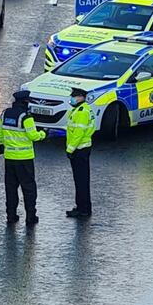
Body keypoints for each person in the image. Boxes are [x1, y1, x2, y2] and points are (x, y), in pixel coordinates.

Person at [0, 90, 47, 225]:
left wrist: (2, 146)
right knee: (29, 189)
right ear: (25, 102)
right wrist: (43, 134)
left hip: (10, 158)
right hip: (24, 159)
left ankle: (11, 216)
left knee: (11, 189)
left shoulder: (5, 114)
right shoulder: (26, 118)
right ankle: (31, 217)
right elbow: (33, 136)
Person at [65, 87, 96, 218]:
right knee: (81, 180)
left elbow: (78, 134)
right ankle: (82, 207)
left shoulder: (82, 112)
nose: (72, 98)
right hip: (81, 149)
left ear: (81, 97)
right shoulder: (80, 109)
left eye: (74, 96)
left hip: (79, 150)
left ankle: (83, 210)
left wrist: (70, 149)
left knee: (81, 181)